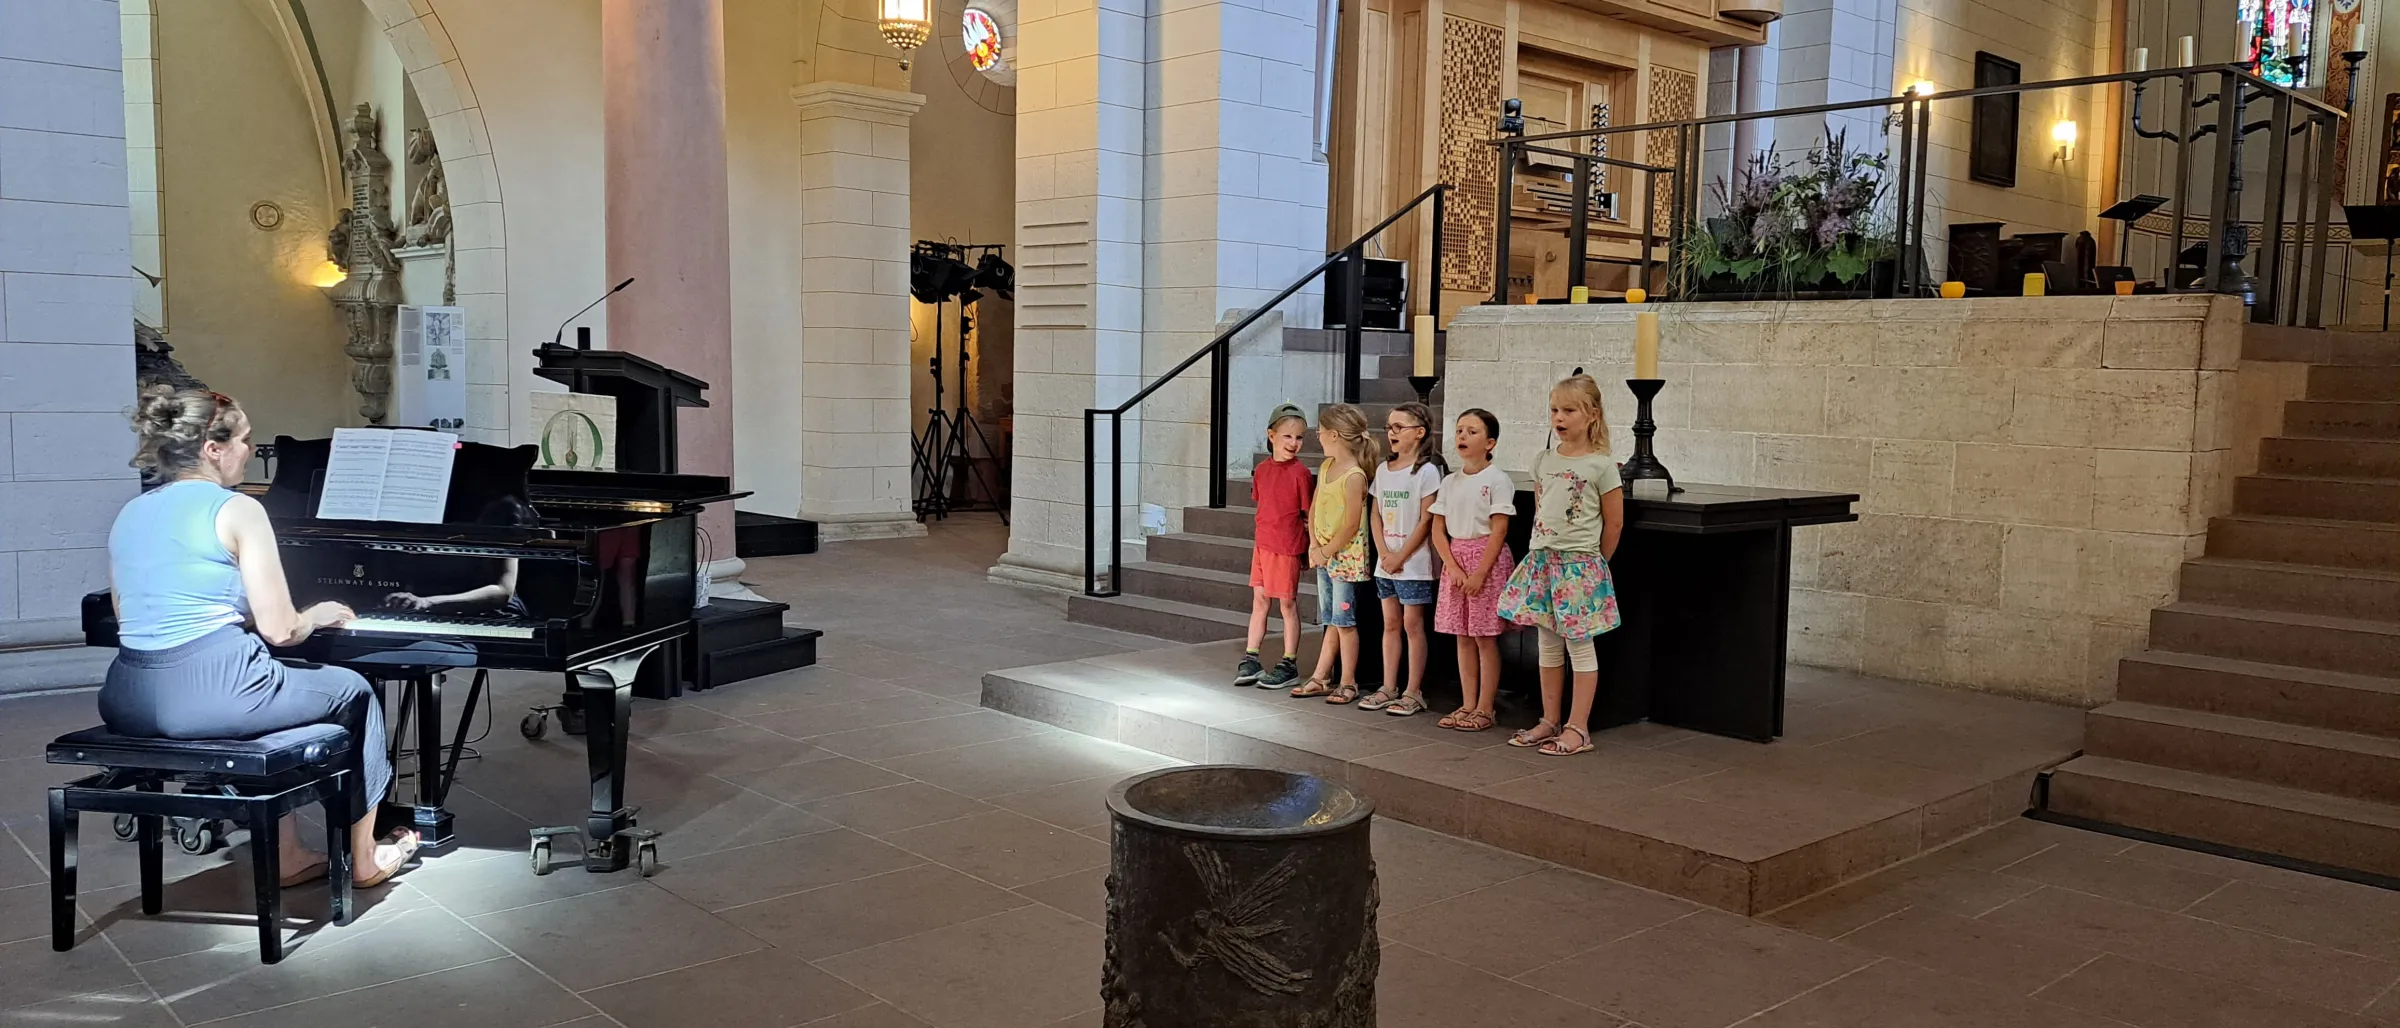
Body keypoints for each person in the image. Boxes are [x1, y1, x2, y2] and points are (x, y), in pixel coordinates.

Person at [101, 386, 421, 888]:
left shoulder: (130, 512)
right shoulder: (238, 510)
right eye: (246, 440)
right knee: (354, 691)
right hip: (212, 693)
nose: (251, 450)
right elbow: (281, 629)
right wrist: (314, 614)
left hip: (127, 696)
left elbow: (130, 618)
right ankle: (364, 858)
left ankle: (288, 852)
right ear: (213, 449)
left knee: (273, 704)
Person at [1495, 375, 1624, 756]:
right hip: (1543, 561)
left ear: (1592, 415)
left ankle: (1578, 728)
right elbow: (1540, 510)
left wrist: (1597, 563)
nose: (1559, 418)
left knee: (1579, 647)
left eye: (1569, 410)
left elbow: (1613, 521)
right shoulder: (1544, 460)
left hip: (1579, 565)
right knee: (1547, 645)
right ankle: (1550, 719)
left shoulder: (1601, 465)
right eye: (1554, 410)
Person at [1429, 409, 1516, 732]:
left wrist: (1480, 572)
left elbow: (1499, 529)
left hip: (1485, 560)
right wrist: (1452, 567)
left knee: (1483, 637)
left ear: (1490, 442)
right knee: (1462, 636)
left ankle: (1485, 706)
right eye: (1460, 430)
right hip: (1457, 559)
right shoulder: (1450, 481)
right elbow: (1438, 529)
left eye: (1472, 432)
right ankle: (1467, 703)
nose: (1463, 436)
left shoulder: (1497, 480)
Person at [1358, 402, 1445, 717]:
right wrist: (1384, 553)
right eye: (1389, 427)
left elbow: (1426, 521)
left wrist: (1401, 555)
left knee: (1412, 624)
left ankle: (1413, 690)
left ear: (1419, 432)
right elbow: (1376, 514)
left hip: (1414, 563)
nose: (1391, 433)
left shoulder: (1426, 472)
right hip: (1387, 561)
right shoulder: (1383, 470)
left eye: (1399, 427)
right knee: (1390, 623)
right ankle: (1388, 686)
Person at [1291, 403, 1377, 703]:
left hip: (1345, 558)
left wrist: (1327, 549)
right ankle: (1321, 676)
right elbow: (1315, 508)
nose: (1317, 435)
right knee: (1330, 618)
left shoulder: (1354, 476)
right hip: (1325, 555)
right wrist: (1314, 544)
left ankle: (1348, 681)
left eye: (1321, 431)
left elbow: (1352, 523)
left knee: (1345, 621)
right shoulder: (1327, 467)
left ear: (1336, 435)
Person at [1237, 405, 1314, 690]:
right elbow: (1264, 504)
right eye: (1288, 437)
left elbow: (1307, 516)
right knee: (1260, 601)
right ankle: (1252, 656)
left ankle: (1289, 661)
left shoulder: (1301, 473)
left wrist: (1306, 549)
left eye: (1299, 437)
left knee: (1287, 603)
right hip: (1264, 545)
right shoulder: (1262, 470)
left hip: (1286, 547)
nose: (1294, 443)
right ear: (1271, 436)